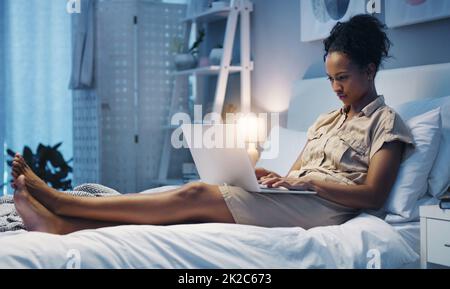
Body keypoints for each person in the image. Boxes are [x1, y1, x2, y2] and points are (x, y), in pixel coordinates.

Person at [11, 14, 414, 235]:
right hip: (300, 199)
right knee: (195, 202)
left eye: (342, 77)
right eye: (330, 78)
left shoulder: (386, 122)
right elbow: (295, 176)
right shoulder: (326, 119)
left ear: (370, 69)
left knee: (193, 196)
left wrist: (305, 183)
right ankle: (64, 224)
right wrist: (272, 178)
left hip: (327, 209)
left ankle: (63, 202)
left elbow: (373, 195)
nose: (334, 87)